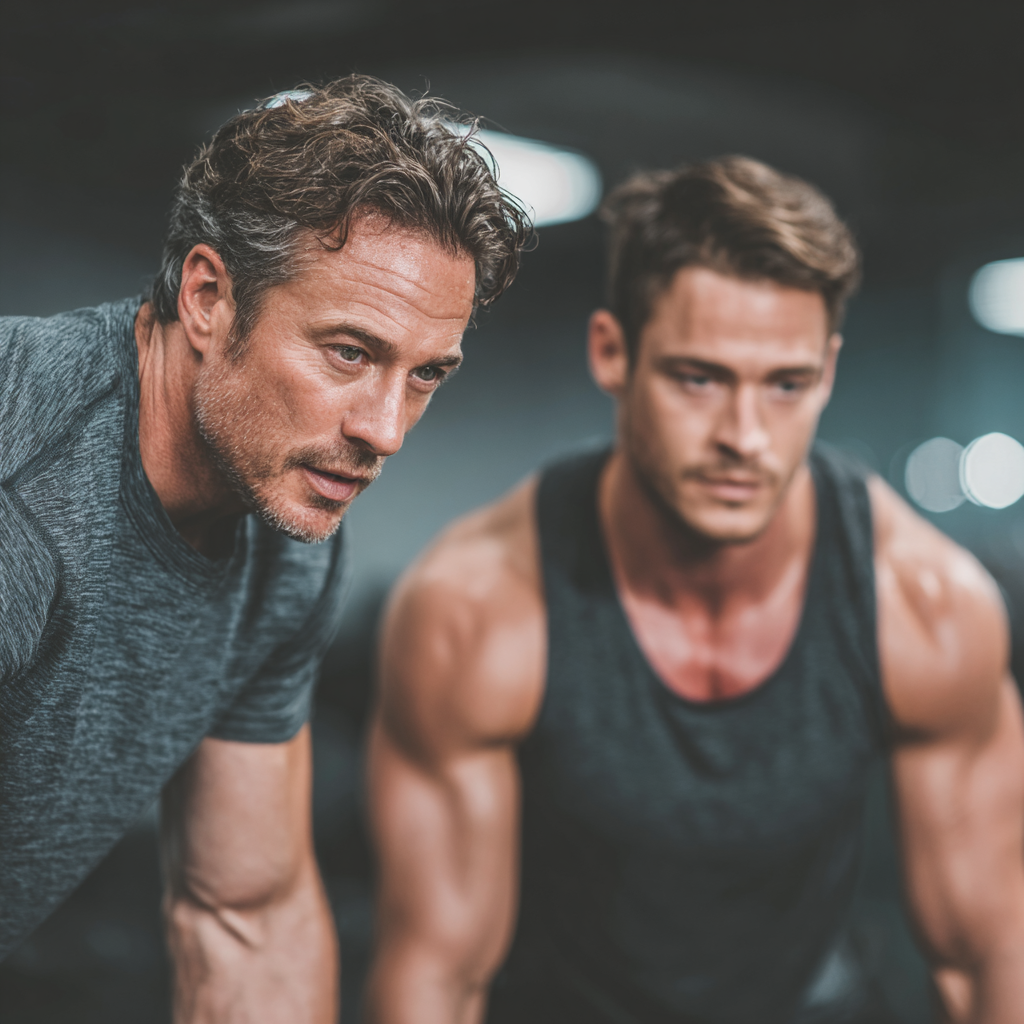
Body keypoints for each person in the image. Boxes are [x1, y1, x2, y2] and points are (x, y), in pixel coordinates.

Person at [366, 156, 1024, 1023]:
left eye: (785, 385)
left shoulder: (926, 605)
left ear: (826, 373)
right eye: (698, 378)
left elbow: (986, 954)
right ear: (613, 352)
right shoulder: (478, 607)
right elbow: (436, 973)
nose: (744, 438)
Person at [0, 75, 530, 1020]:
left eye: (426, 376)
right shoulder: (26, 480)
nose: (386, 429)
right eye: (349, 353)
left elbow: (246, 914)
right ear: (207, 297)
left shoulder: (289, 546)